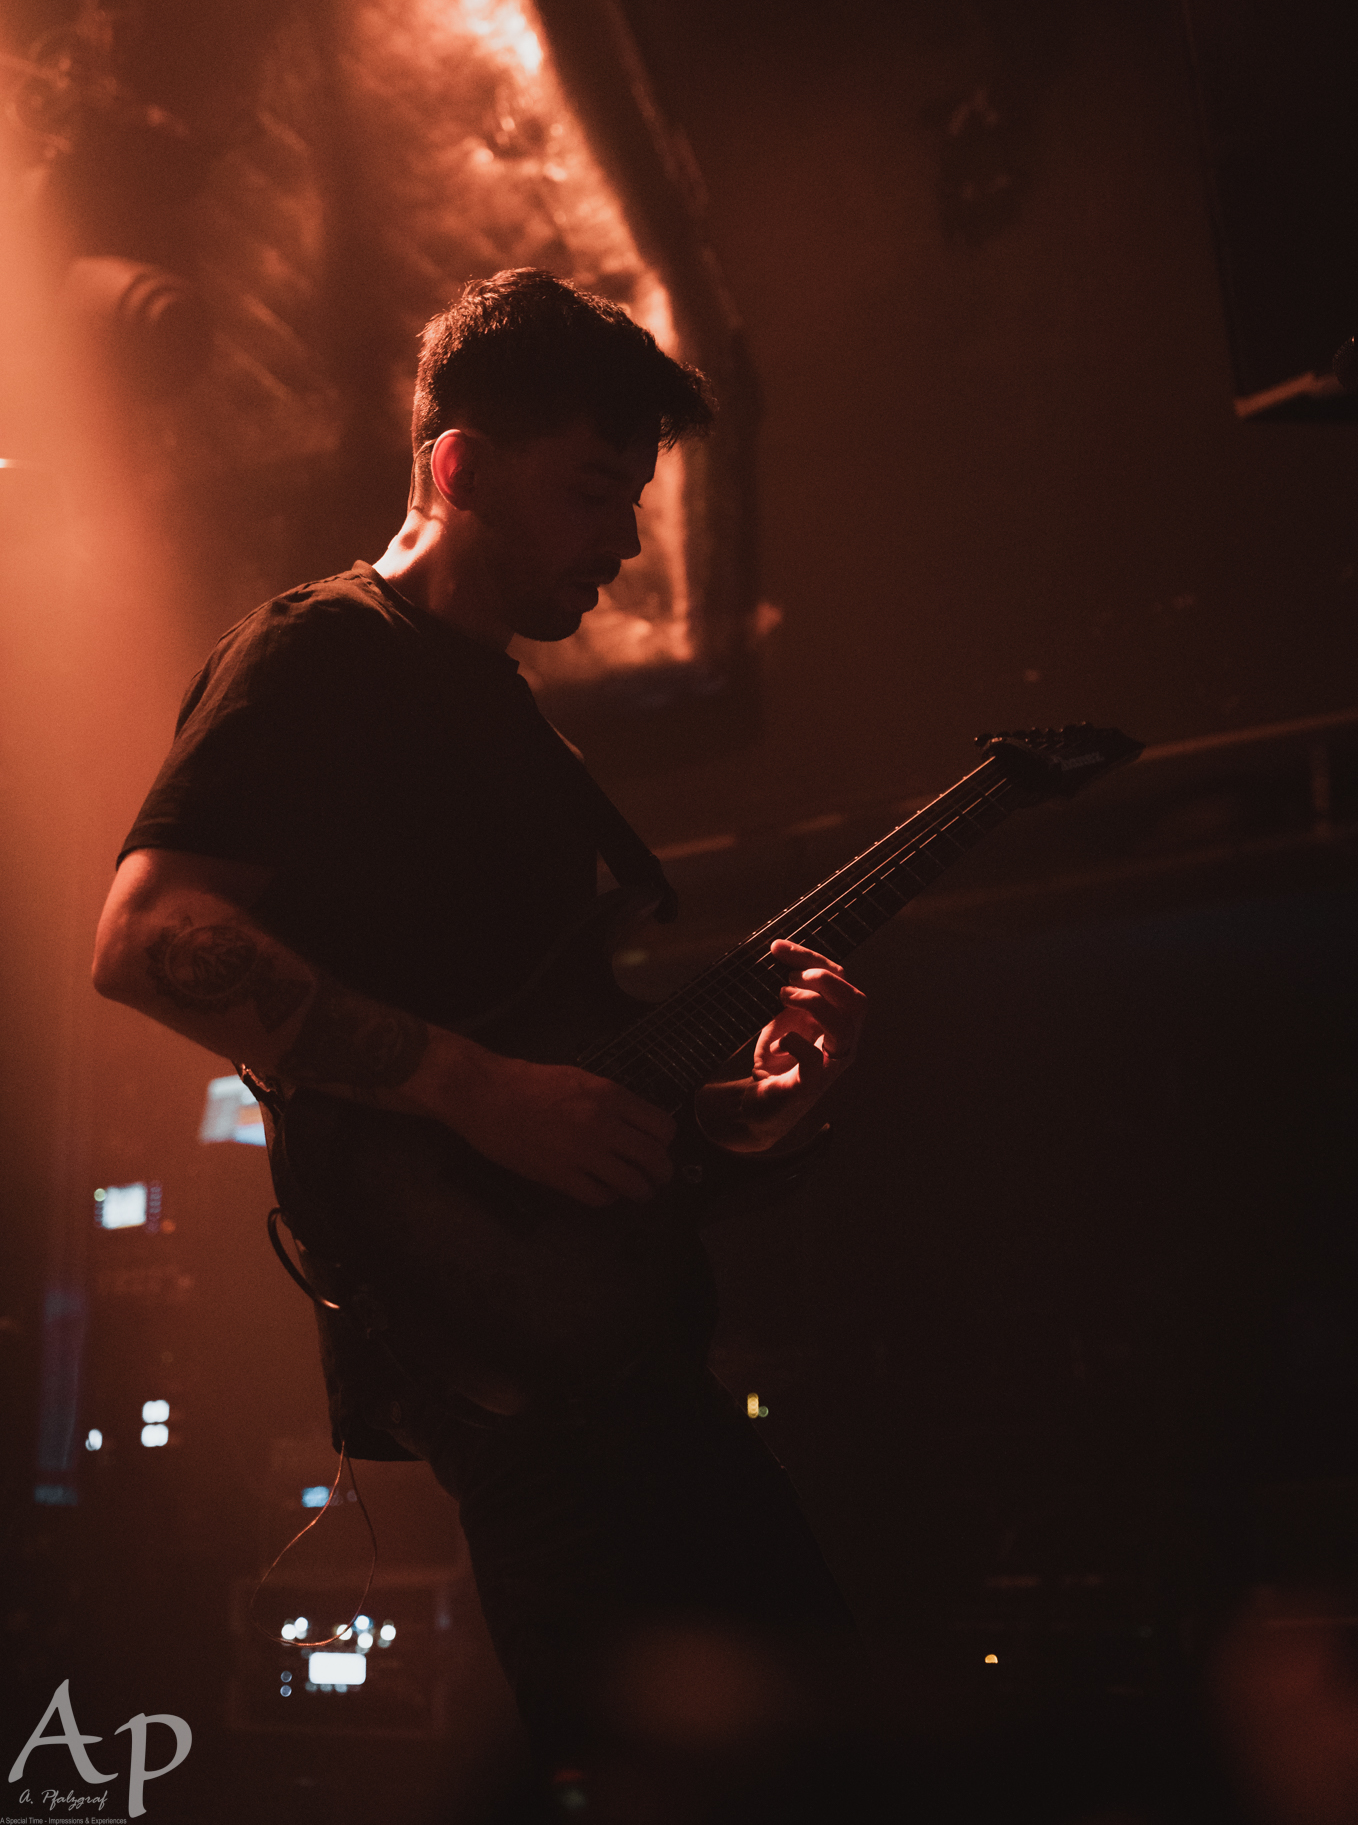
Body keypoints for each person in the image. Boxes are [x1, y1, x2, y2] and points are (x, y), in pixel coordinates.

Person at [92, 269, 866, 1760]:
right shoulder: (321, 653)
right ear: (456, 466)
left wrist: (734, 1117)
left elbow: (551, 1075)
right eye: (591, 489)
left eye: (632, 497)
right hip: (513, 1381)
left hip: (618, 1349)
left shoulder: (510, 721)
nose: (624, 539)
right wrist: (474, 1091)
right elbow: (148, 936)